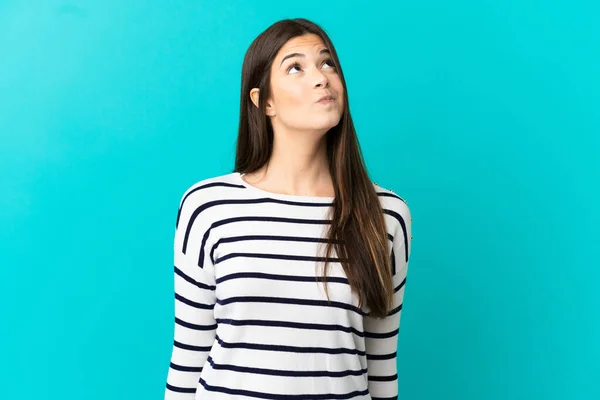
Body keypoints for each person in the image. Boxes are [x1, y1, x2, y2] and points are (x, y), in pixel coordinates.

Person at [165, 17, 412, 400]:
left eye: (327, 63)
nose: (321, 78)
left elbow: (382, 365)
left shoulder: (385, 215)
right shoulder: (208, 208)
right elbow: (188, 357)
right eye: (296, 67)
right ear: (263, 102)